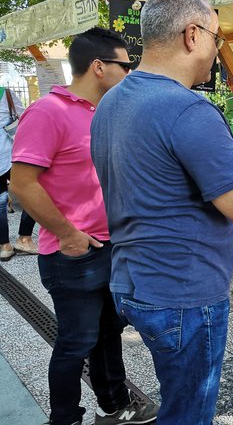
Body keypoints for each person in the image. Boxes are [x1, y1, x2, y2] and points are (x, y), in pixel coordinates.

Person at [90, 0, 233, 425]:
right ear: (192, 35)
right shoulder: (188, 110)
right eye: (217, 37)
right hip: (184, 294)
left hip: (131, 282)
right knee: (189, 413)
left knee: (177, 399)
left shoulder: (110, 102)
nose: (217, 50)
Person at [10, 28, 158, 425]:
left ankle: (114, 405)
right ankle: (64, 419)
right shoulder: (48, 111)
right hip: (71, 253)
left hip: (111, 246)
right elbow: (22, 183)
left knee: (108, 333)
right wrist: (67, 234)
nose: (130, 73)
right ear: (99, 67)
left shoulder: (108, 112)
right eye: (125, 65)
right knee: (75, 343)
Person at [0, 87, 38, 259]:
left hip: (6, 157)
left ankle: (4, 246)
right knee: (32, 191)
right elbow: (24, 116)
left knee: (0, 202)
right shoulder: (5, 93)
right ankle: (24, 238)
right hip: (10, 154)